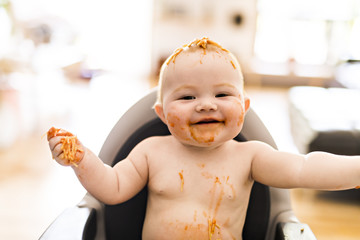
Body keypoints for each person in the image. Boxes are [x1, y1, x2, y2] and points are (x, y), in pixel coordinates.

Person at [48, 37, 360, 240]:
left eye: (223, 93)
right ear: (161, 112)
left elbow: (305, 168)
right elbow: (112, 188)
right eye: (186, 97)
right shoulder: (150, 152)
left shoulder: (250, 157)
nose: (206, 104)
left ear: (244, 106)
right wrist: (82, 159)